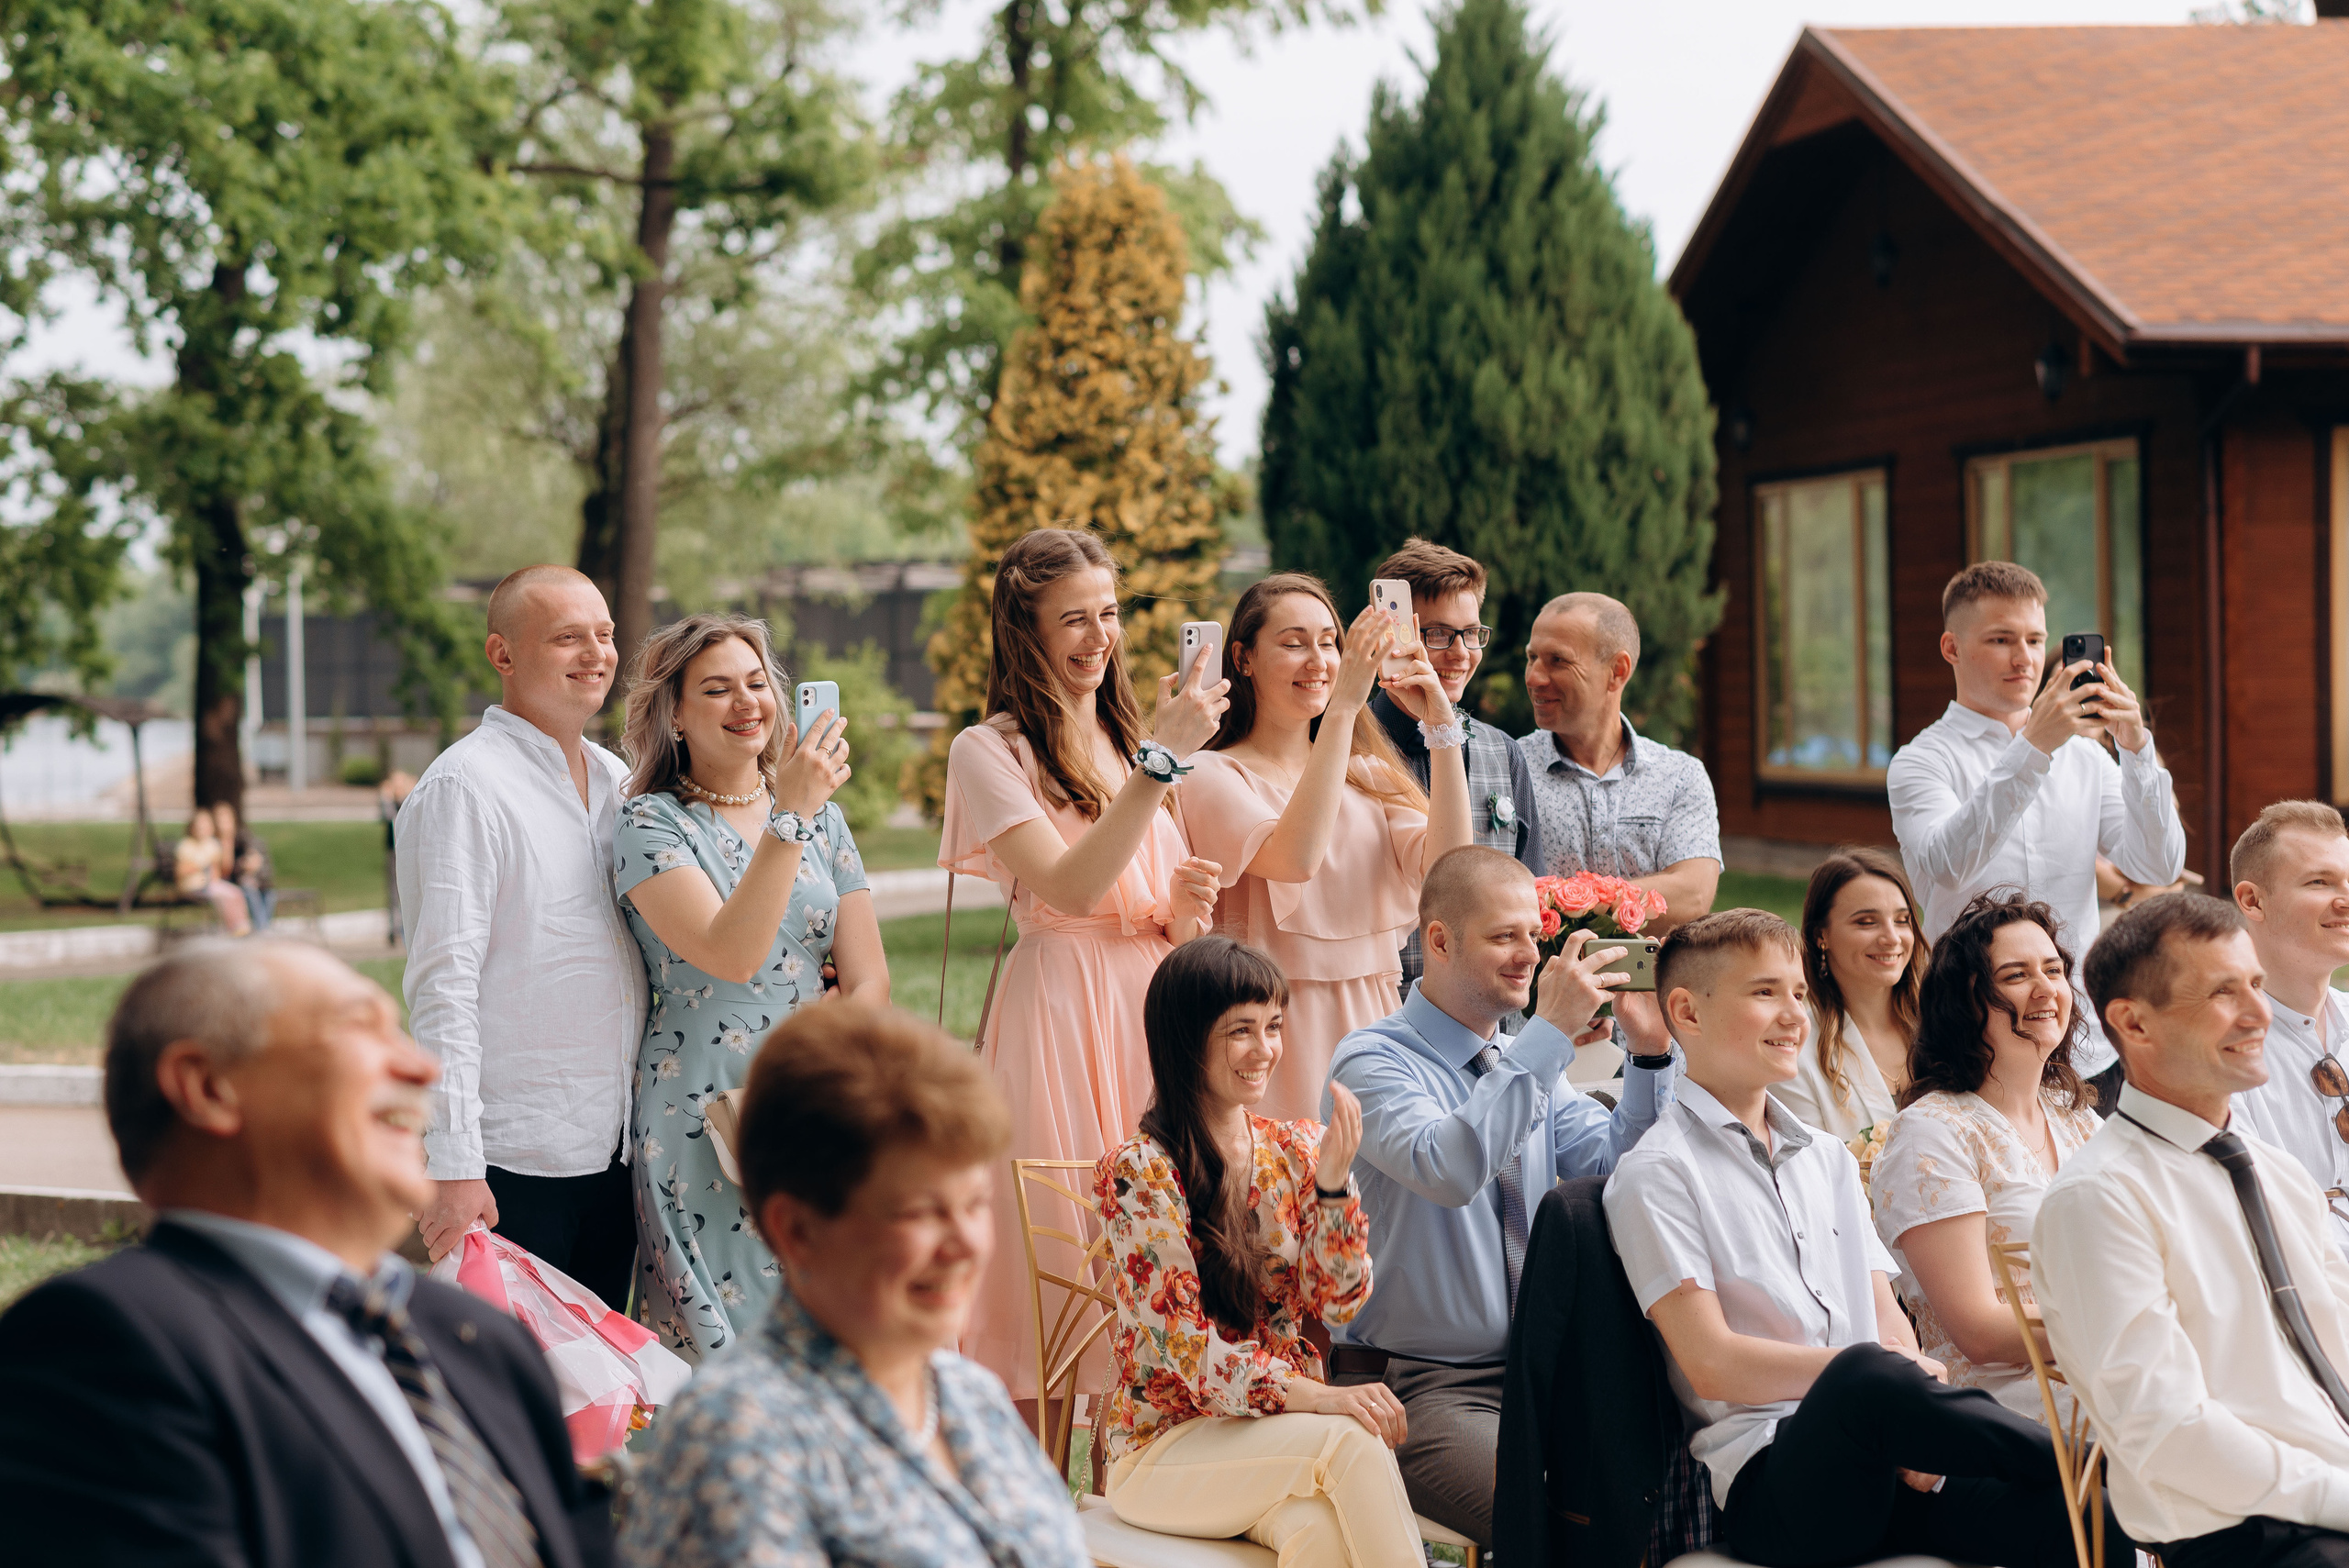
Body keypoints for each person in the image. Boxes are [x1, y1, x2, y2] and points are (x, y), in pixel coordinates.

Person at [0, 939, 610, 1568]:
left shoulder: (481, 1340)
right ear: (208, 1085)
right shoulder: (105, 1342)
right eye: (360, 1027)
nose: (425, 1068)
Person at [1605, 907, 2107, 1568]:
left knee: (2082, 1514)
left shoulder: (1824, 1155)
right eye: (1765, 993)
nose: (1793, 1015)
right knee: (1864, 1372)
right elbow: (1713, 1363)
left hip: (1894, 1460)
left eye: (1799, 994)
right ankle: (2073, 1458)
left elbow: (1884, 1315)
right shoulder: (1656, 1171)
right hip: (1781, 1480)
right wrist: (1888, 1382)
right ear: (1687, 1013)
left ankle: (2100, 1479)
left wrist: (1900, 1392)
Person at [618, 1002, 1088, 1568]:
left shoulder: (969, 1397)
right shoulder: (738, 1438)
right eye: (920, 1212)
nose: (966, 1244)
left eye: (976, 1204)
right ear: (797, 1230)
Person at [939, 527, 1229, 1398]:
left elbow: (1135, 883)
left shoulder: (1126, 736)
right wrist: (1162, 761)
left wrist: (1181, 913)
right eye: (1074, 618)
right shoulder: (990, 750)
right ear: (1023, 632)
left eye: (1108, 614)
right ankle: (1032, 1517)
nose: (1100, 636)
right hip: (1061, 1007)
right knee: (1057, 1263)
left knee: (1156, 1257)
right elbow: (1067, 885)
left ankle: (1127, 1507)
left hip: (1153, 1006)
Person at [1326, 845, 1674, 1548]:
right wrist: (1546, 1037)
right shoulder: (1372, 1058)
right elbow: (1448, 1169)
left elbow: (1621, 1171)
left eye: (1532, 935)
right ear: (1440, 941)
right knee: (1554, 1520)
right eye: (1503, 936)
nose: (1528, 955)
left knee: (1667, 1487)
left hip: (1550, 1367)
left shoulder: (1521, 1060)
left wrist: (1649, 1055)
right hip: (1421, 1388)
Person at [2037, 893, 2349, 1567]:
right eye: (2222, 992)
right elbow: (2167, 1430)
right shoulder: (2098, 1200)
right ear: (2134, 1024)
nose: (2260, 1013)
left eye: (2257, 984)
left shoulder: (2278, 1171)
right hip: (2252, 1537)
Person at [1094, 937, 1419, 1566]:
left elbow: (1339, 1298)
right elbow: (1187, 1352)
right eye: (1240, 1030)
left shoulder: (1297, 1148)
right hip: (1163, 1449)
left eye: (1273, 1026)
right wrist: (1321, 1397)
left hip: (1266, 1434)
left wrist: (1331, 1188)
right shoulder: (1141, 1170)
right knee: (1349, 1441)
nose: (1265, 1048)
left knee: (1317, 1532)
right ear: (1187, 1039)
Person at [612, 613, 885, 1361]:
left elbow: (869, 981)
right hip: (704, 1114)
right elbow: (731, 953)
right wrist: (789, 815)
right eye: (717, 688)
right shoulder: (651, 825)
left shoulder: (826, 822)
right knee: (728, 1355)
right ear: (675, 713)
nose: (747, 703)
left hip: (811, 1106)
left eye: (758, 683)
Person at [399, 563, 648, 1310]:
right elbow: (443, 986)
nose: (596, 654)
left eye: (604, 635)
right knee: (508, 1410)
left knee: (603, 1410)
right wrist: (454, 1163)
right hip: (509, 1166)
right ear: (502, 655)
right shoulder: (464, 788)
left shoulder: (618, 781)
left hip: (617, 1157)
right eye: (568, 637)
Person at [1887, 561, 2185, 1106]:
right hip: (1973, 1041)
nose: (2024, 658)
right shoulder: (1920, 761)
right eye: (2001, 639)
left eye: (2034, 639)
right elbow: (1948, 865)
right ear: (1951, 648)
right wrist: (2033, 750)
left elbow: (2158, 866)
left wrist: (2138, 748)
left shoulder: (2089, 761)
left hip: (2086, 1045)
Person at [1179, 573, 1473, 1118]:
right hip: (1268, 1031)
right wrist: (1343, 709)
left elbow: (1452, 872)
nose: (1317, 661)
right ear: (1242, 659)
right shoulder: (1210, 774)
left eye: (1329, 643)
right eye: (1293, 644)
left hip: (1377, 1022)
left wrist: (1441, 726)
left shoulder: (1366, 774)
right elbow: (1295, 859)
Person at [1870, 892, 2102, 1419]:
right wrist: (2128, 1319)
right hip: (1998, 1404)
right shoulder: (1933, 1130)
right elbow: (1979, 1332)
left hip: (2101, 1367)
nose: (2047, 989)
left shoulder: (2077, 1118)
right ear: (1968, 999)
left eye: (2054, 970)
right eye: (2017, 976)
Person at [1364, 539, 1543, 1000]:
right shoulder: (1347, 747)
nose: (1461, 653)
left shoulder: (1503, 753)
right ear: (1395, 636)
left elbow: (1532, 891)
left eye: (1472, 633)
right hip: (1382, 1013)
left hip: (1495, 1019)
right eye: (1439, 634)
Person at [1518, 591, 1719, 933]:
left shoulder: (1680, 776)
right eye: (1532, 657)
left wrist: (1568, 900)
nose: (1535, 677)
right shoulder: (1510, 768)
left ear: (1617, 671)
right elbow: (1490, 896)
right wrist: (1639, 897)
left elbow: (1693, 895)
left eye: (1558, 661)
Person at [2229, 801, 2349, 1254]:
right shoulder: (2219, 1047)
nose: (2345, 897)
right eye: (2320, 882)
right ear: (2252, 901)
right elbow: (2248, 1218)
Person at [1772, 846, 1925, 1139]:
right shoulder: (1795, 1047)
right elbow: (1809, 1170)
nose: (1892, 938)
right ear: (1821, 936)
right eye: (1866, 922)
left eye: (1902, 920)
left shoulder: (1947, 1028)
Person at [173, 806, 250, 935]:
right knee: (223, 896)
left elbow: (219, 870)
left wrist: (227, 844)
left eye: (205, 826)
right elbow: (180, 871)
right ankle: (233, 927)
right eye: (199, 826)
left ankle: (240, 925)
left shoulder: (212, 845)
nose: (202, 829)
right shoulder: (186, 846)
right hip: (193, 886)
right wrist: (200, 864)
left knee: (235, 893)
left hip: (209, 885)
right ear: (192, 827)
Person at [217, 800, 275, 931]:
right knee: (249, 889)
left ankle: (264, 928)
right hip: (231, 882)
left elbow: (253, 856)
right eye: (220, 821)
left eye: (226, 820)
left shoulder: (241, 838)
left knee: (268, 893)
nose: (223, 825)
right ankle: (262, 930)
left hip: (251, 879)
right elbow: (226, 869)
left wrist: (252, 863)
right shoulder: (216, 843)